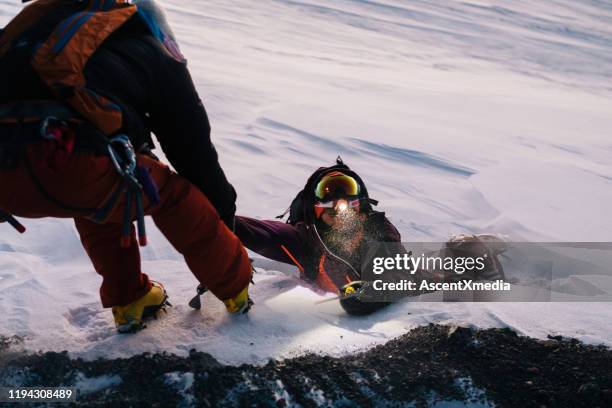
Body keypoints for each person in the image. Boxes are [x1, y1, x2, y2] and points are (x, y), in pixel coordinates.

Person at [0, 0, 252, 332]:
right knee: (173, 197)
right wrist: (223, 213)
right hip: (64, 160)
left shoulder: (38, 30)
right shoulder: (146, 44)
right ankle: (235, 289)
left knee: (106, 192)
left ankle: (130, 297)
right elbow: (191, 147)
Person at [236, 158, 506, 315]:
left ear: (360, 203)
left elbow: (395, 277)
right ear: (312, 207)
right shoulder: (302, 237)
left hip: (418, 282)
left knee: (449, 272)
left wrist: (364, 295)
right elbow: (256, 231)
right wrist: (215, 216)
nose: (338, 203)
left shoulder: (377, 227)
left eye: (347, 190)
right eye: (327, 192)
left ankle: (478, 254)